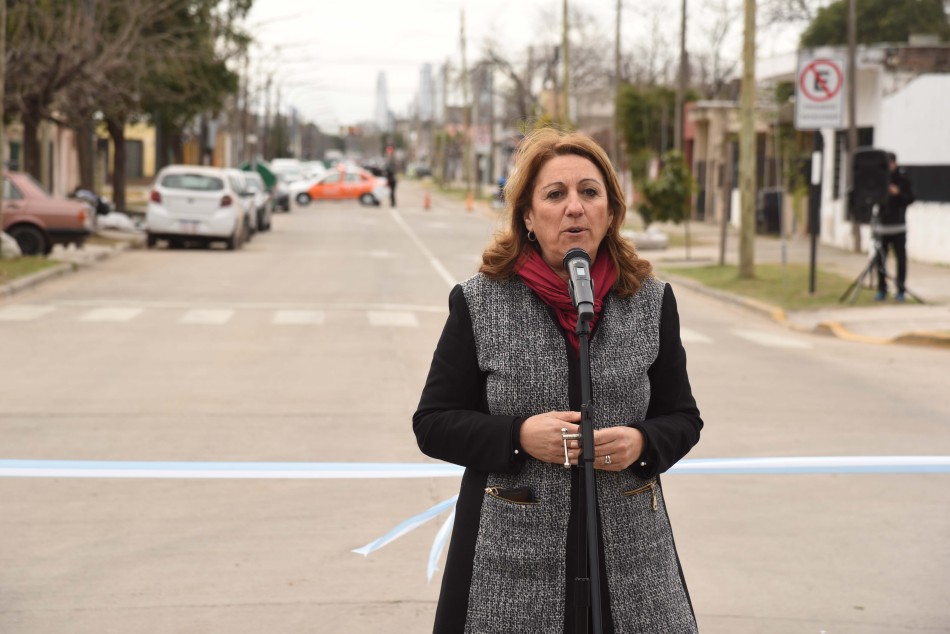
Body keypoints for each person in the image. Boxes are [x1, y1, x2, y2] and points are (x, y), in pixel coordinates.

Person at [413, 127, 703, 633]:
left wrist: (643, 442)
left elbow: (682, 418)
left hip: (632, 561)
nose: (575, 207)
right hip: (510, 566)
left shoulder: (652, 302)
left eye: (590, 192)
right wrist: (518, 437)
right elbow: (433, 423)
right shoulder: (479, 303)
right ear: (527, 215)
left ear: (610, 211)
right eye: (555, 194)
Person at [875, 152, 915, 302]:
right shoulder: (879, 178)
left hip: (898, 226)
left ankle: (900, 290)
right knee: (880, 260)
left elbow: (910, 198)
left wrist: (897, 192)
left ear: (894, 163)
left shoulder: (902, 178)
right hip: (882, 226)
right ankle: (881, 289)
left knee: (901, 259)